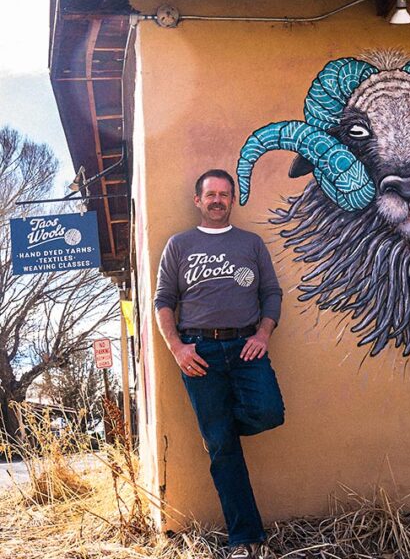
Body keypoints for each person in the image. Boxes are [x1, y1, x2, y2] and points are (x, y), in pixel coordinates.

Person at [154, 169, 284, 559]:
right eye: (210, 194)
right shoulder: (179, 245)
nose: (217, 200)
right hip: (199, 353)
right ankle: (245, 539)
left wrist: (262, 335)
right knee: (223, 449)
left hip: (246, 347)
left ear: (232, 200)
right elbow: (163, 302)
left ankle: (221, 431)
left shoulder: (251, 244)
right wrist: (177, 348)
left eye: (224, 194)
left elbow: (271, 292)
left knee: (268, 412)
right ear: (198, 200)